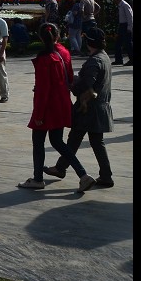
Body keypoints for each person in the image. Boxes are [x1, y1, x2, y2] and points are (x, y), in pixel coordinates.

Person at [17, 24, 95, 191]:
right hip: (61, 103)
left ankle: (38, 179)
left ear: (40, 38)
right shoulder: (64, 53)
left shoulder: (45, 58)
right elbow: (69, 78)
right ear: (58, 36)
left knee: (38, 142)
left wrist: (38, 114)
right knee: (57, 141)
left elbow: (44, 89)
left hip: (47, 106)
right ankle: (83, 175)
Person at [46, 27, 115, 188]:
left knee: (76, 138)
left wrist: (72, 84)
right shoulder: (103, 57)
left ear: (89, 42)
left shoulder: (94, 61)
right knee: (92, 141)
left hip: (88, 109)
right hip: (99, 107)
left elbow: (86, 85)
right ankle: (105, 175)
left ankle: (62, 168)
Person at [110, 0, 133, 66]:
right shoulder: (120, 6)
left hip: (125, 25)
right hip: (121, 25)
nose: (113, 0)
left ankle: (132, 59)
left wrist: (129, 28)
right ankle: (119, 59)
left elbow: (130, 17)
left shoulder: (125, 5)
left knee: (128, 43)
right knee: (118, 43)